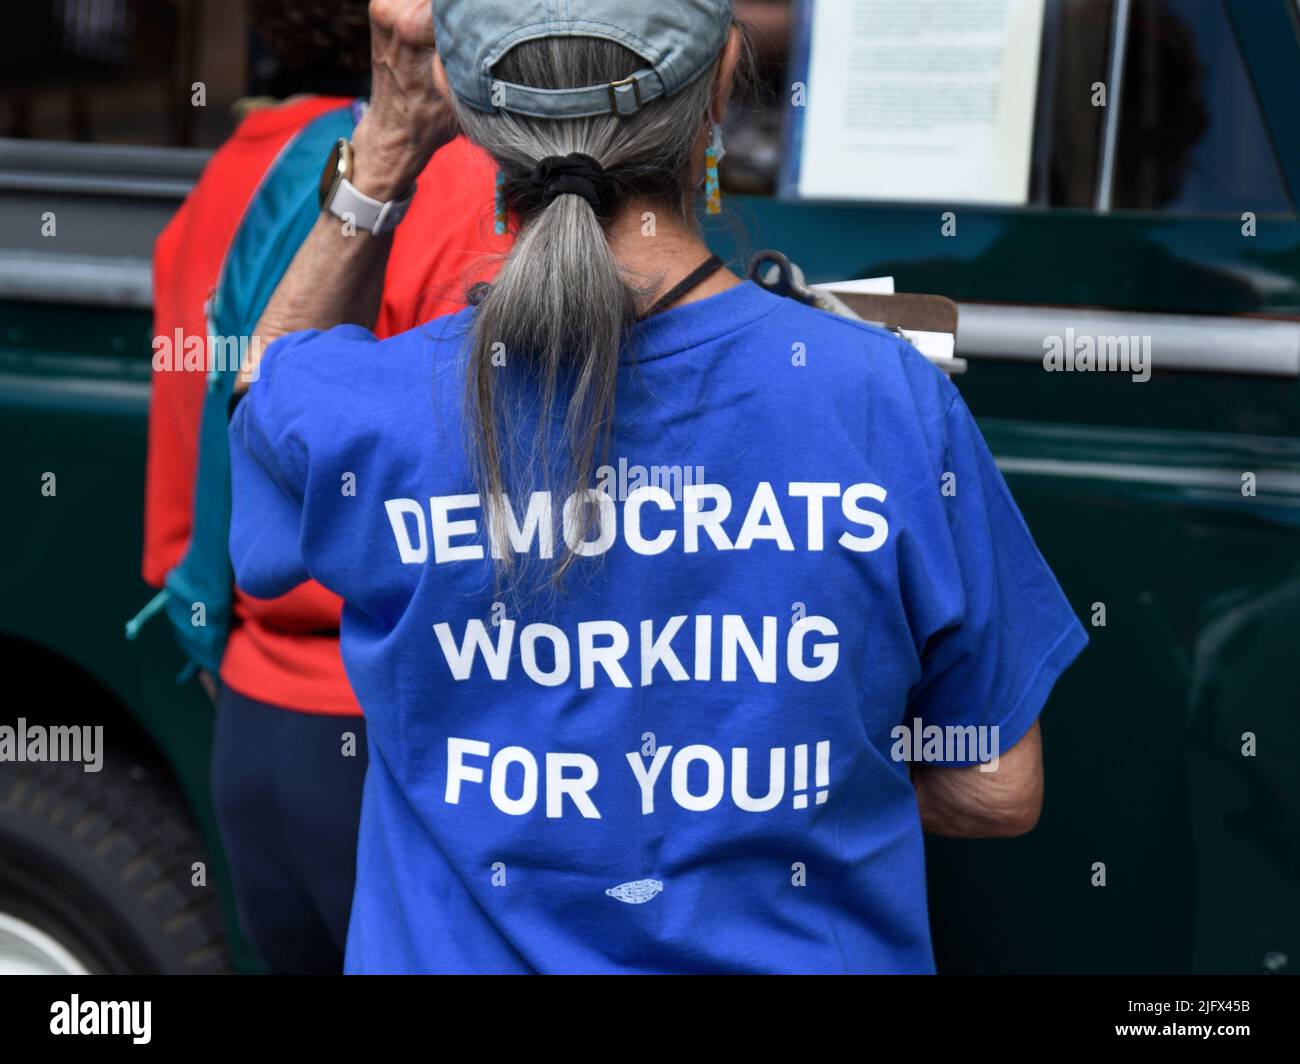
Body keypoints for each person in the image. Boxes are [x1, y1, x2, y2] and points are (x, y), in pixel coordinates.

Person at [227, 0, 1088, 973]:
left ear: (469, 117)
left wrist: (383, 147)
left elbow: (261, 389)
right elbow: (992, 784)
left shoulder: (370, 407)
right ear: (722, 82)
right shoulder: (881, 400)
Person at [141, 0, 507, 972]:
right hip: (384, 734)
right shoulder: (463, 182)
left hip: (252, 719)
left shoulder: (232, 173)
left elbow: (188, 482)